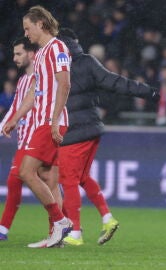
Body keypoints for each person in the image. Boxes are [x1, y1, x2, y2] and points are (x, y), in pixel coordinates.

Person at [51, 28, 158, 246]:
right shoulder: (88, 62)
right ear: (75, 42)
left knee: (68, 180)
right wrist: (146, 91)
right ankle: (108, 219)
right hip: (92, 128)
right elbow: (115, 82)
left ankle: (76, 232)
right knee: (82, 178)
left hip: (73, 130)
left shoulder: (55, 65)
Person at [2, 5, 72, 248]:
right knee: (46, 177)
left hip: (49, 123)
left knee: (26, 172)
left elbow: (65, 85)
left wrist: (54, 120)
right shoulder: (42, 53)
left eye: (28, 28)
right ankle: (57, 233)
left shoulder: (58, 48)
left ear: (40, 24)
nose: (26, 33)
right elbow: (35, 92)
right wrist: (15, 118)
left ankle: (60, 222)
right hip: (41, 122)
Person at [0, 37, 39, 240]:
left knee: (15, 179)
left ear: (31, 54)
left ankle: (2, 229)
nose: (14, 58)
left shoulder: (41, 78)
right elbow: (15, 108)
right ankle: (66, 225)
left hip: (37, 138)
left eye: (19, 53)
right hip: (25, 139)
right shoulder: (24, 80)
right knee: (49, 183)